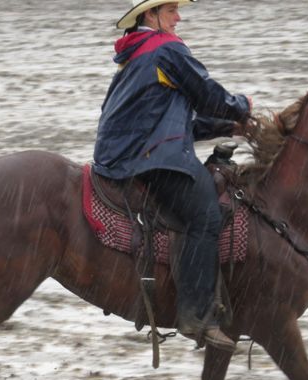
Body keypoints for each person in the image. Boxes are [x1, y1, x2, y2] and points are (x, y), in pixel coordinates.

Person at [93, 0, 252, 351]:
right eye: (171, 10)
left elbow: (174, 123)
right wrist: (243, 107)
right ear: (151, 16)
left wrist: (230, 126)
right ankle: (195, 316)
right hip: (148, 158)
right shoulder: (167, 49)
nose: (178, 18)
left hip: (124, 154)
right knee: (206, 215)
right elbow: (209, 96)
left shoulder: (137, 55)